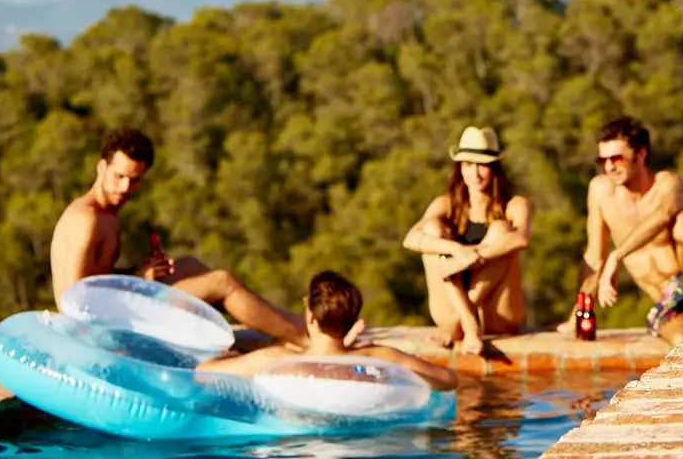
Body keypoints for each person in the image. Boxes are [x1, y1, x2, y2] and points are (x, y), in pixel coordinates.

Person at [50, 127, 305, 344]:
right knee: (221, 282)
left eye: (135, 180)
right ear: (101, 168)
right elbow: (73, 299)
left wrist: (140, 272)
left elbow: (95, 276)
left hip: (109, 305)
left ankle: (285, 323)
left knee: (188, 266)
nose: (126, 188)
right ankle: (301, 337)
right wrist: (136, 280)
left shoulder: (105, 215)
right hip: (97, 326)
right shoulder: (87, 220)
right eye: (119, 176)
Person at [200, 270, 458, 391]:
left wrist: (228, 355)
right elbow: (449, 379)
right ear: (352, 320)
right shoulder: (379, 358)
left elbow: (203, 373)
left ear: (311, 317)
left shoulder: (278, 361)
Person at [403, 126, 530, 356]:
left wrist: (477, 256)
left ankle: (468, 318)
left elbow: (521, 239)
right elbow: (410, 239)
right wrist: (456, 250)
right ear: (460, 168)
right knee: (431, 230)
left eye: (482, 165)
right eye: (468, 165)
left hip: (496, 316)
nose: (475, 173)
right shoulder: (447, 204)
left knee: (502, 231)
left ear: (494, 168)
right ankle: (468, 321)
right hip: (451, 316)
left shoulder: (514, 204)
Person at [581, 117, 683, 346]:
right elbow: (594, 255)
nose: (609, 167)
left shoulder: (667, 184)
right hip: (672, 303)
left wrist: (617, 256)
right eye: (603, 160)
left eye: (617, 158)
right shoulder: (602, 192)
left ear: (641, 154)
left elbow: (663, 214)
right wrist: (580, 307)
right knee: (681, 340)